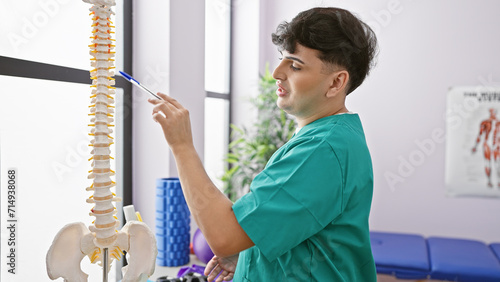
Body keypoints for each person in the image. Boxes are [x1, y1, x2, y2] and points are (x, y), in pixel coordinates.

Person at [148, 6, 378, 282]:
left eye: (295, 65)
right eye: (282, 60)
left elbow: (223, 236)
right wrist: (246, 256)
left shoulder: (322, 149)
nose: (276, 73)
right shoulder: (333, 137)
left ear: (336, 82)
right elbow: (299, 229)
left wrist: (182, 146)